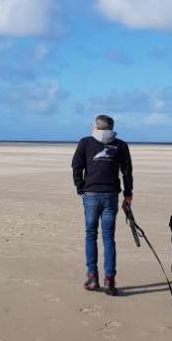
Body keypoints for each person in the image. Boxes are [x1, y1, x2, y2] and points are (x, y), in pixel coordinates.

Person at [71, 114, 133, 296]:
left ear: (96, 127)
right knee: (108, 238)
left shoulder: (86, 142)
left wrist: (80, 187)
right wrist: (128, 194)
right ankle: (108, 281)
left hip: (94, 194)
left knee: (92, 235)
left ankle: (93, 278)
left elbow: (76, 167)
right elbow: (127, 172)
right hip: (109, 195)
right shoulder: (120, 144)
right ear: (111, 128)